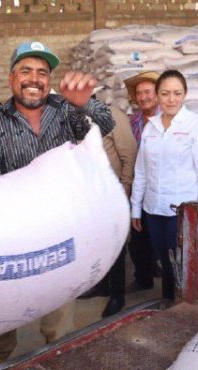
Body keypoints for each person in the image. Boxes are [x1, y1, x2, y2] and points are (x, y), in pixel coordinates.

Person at [0, 41, 115, 365]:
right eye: (26, 71)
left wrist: (84, 104)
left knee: (59, 320)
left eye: (42, 72)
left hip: (58, 234)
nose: (34, 79)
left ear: (48, 79)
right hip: (10, 236)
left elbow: (105, 124)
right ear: (11, 79)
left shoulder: (65, 109)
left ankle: (59, 356)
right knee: (3, 317)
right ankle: (1, 359)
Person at [130, 70, 198, 300]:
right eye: (165, 93)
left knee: (182, 263)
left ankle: (184, 304)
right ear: (157, 96)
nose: (171, 99)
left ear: (185, 94)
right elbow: (141, 170)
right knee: (164, 261)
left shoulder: (196, 125)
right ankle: (169, 301)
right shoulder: (151, 127)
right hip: (153, 209)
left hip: (181, 211)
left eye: (177, 93)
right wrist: (136, 208)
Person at [77, 106, 137, 318]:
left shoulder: (111, 115)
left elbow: (130, 154)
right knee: (96, 244)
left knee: (115, 244)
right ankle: (101, 285)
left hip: (113, 192)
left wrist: (126, 186)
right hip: (90, 196)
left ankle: (117, 295)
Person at [122, 71, 160, 291]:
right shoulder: (132, 121)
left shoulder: (168, 119)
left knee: (162, 234)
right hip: (138, 185)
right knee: (138, 237)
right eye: (139, 93)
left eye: (148, 92)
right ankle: (143, 277)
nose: (143, 97)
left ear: (157, 94)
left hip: (159, 186)